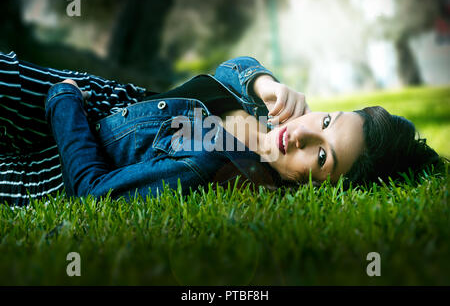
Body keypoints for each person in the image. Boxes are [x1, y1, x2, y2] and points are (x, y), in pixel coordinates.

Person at [0, 51, 445, 205]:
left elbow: (92, 189)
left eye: (323, 155)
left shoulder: (207, 162)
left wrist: (63, 100)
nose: (304, 133)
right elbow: (230, 70)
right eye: (327, 120)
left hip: (52, 158)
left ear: (320, 189)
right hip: (100, 99)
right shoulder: (263, 122)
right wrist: (264, 81)